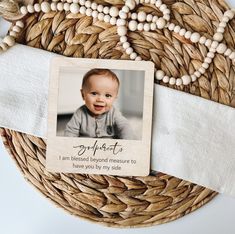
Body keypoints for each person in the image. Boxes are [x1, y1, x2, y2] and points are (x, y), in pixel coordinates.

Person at [64, 68, 135, 139]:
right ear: (83, 95)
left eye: (107, 95)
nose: (100, 99)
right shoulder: (80, 114)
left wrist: (127, 142)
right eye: (94, 93)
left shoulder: (113, 113)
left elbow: (124, 127)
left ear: (114, 98)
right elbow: (70, 132)